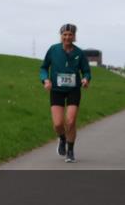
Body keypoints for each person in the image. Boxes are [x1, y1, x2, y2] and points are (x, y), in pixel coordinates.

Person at [39, 24, 92, 163]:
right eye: (65, 34)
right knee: (57, 124)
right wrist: (45, 80)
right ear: (61, 35)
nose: (67, 37)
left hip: (73, 90)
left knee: (70, 121)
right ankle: (62, 138)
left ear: (74, 36)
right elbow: (44, 68)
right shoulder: (53, 50)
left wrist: (86, 79)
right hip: (56, 90)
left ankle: (70, 150)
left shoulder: (79, 53)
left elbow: (86, 71)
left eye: (70, 34)